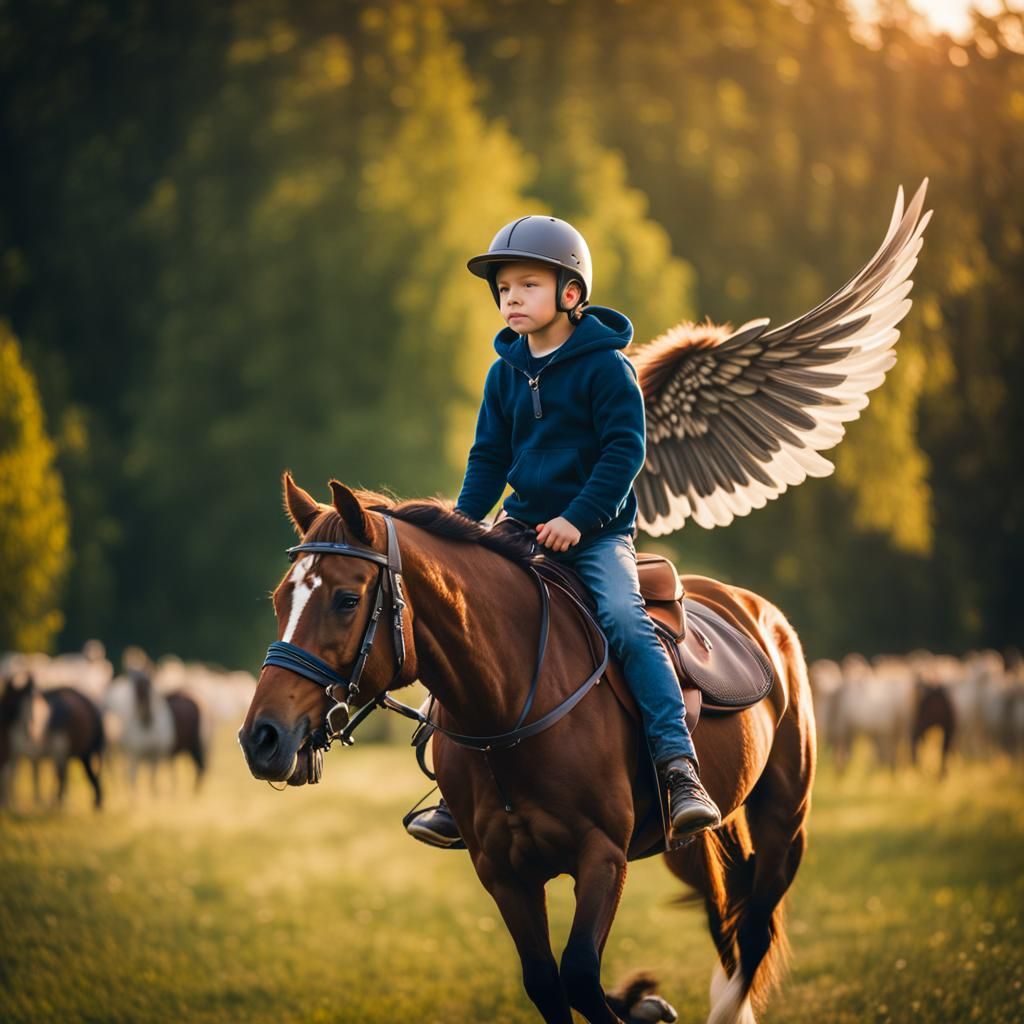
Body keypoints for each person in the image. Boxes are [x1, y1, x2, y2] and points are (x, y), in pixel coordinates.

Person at [405, 215, 721, 848]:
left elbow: (623, 453)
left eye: (527, 285)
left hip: (599, 534)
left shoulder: (607, 370)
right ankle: (454, 788)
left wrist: (577, 519)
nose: (511, 298)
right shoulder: (504, 374)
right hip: (519, 528)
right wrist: (464, 528)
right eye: (503, 289)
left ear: (571, 294)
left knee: (629, 624)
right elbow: (488, 458)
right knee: (468, 628)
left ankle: (678, 767)